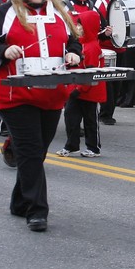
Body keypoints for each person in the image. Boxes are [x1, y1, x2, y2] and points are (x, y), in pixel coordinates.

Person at [0, 0, 82, 232]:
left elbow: (74, 41)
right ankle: (37, 211)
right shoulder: (5, 12)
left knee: (37, 152)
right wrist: (2, 52)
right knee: (32, 152)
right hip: (16, 96)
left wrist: (73, 54)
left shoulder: (59, 12)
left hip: (52, 94)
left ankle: (19, 201)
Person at [57, 9, 105, 158]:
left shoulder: (92, 47)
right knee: (71, 118)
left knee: (90, 121)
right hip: (75, 89)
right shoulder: (81, 45)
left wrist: (80, 88)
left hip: (88, 91)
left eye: (80, 25)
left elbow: (91, 73)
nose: (77, 28)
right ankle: (72, 145)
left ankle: (94, 147)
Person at [91, 0, 121, 125]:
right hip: (104, 48)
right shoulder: (94, 2)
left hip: (120, 45)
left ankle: (110, 110)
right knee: (107, 82)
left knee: (117, 82)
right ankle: (105, 113)